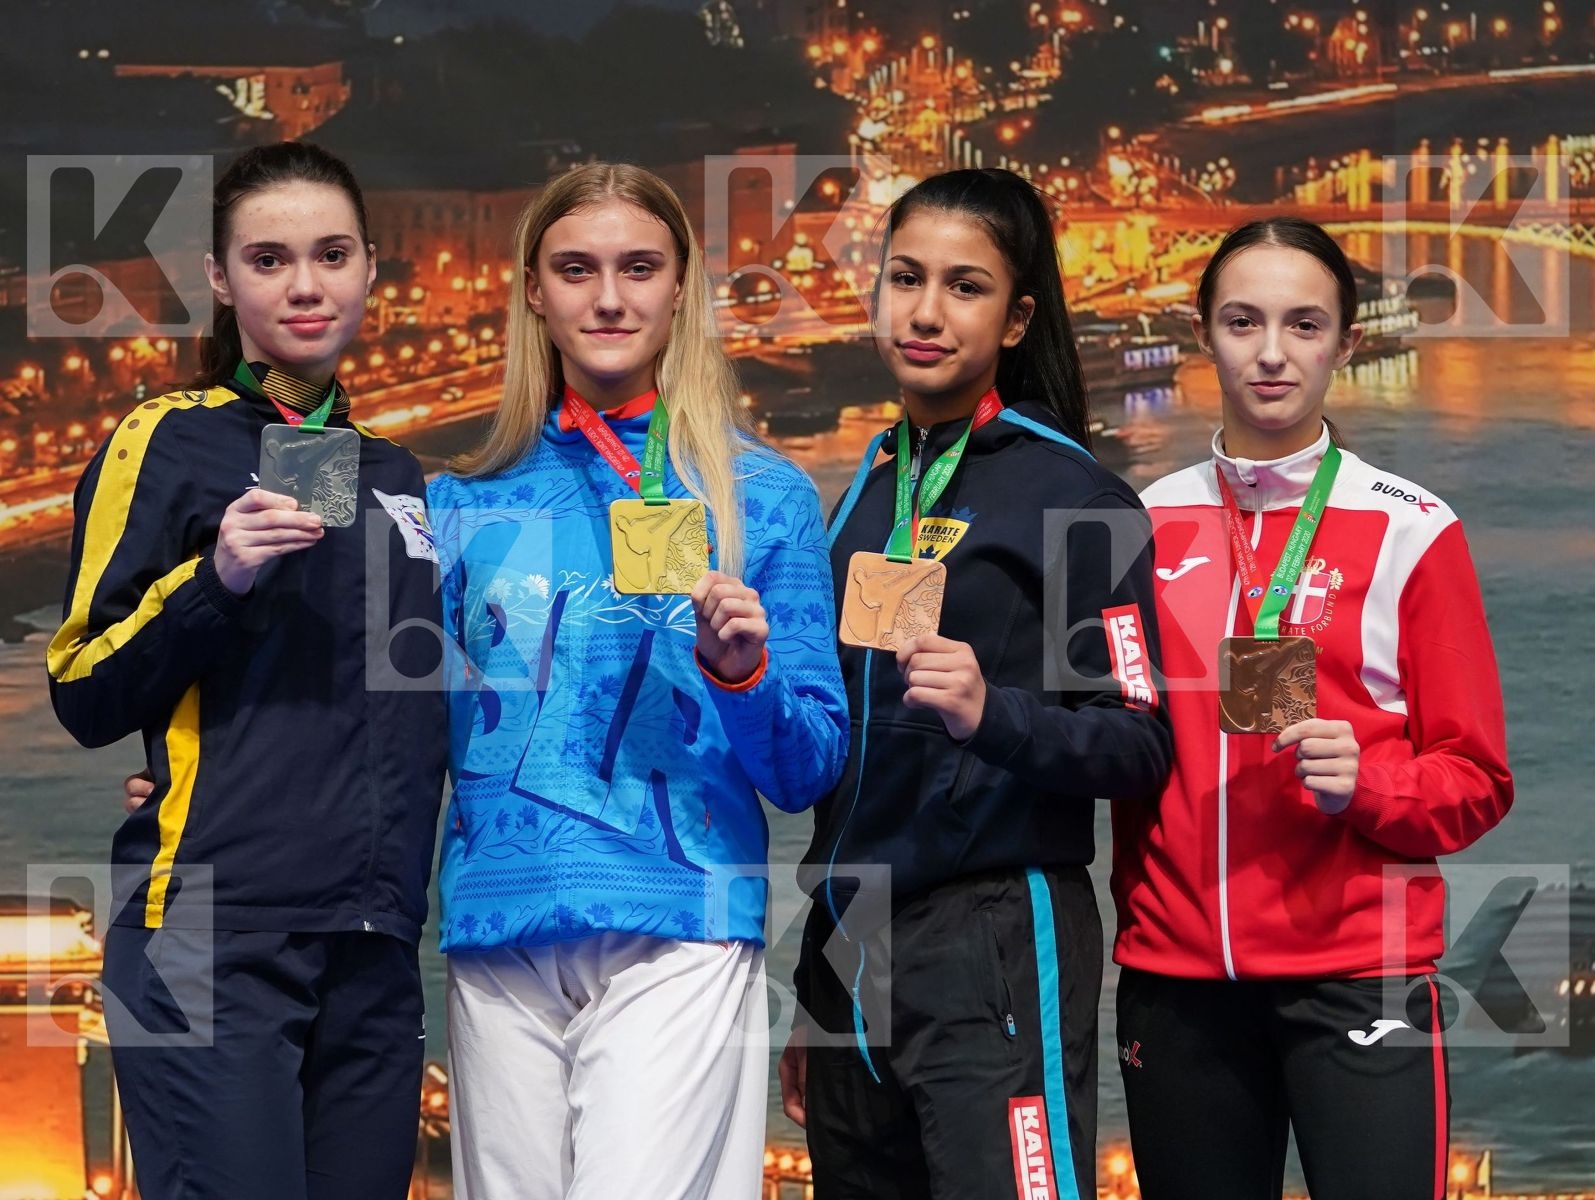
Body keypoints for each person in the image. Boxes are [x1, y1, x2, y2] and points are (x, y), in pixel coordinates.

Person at [429, 162, 848, 1199]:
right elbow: (384, 731)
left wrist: (742, 674)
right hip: (495, 923)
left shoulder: (763, 496)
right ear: (532, 290)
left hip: (681, 917)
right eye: (575, 270)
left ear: (678, 287)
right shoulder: (456, 504)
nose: (607, 297)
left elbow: (809, 766)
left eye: (637, 268)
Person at [50, 141, 446, 1199]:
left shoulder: (399, 474)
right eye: (268, 260)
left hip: (373, 947)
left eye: (331, 255)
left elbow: (408, 708)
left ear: (370, 267)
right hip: (209, 939)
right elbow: (83, 688)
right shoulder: (166, 439)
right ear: (222, 281)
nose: (305, 285)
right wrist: (214, 579)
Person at [781, 167, 1173, 1200]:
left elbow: (1137, 741)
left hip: (995, 930)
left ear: (1016, 317)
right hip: (848, 941)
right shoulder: (864, 487)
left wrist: (990, 715)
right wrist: (811, 990)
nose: (923, 311)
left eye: (964, 286)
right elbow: (846, 765)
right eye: (904, 277)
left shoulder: (1076, 496)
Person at [1112, 216, 1514, 1200]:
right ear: (1201, 331)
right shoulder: (1136, 525)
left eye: (1302, 325)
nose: (1270, 352)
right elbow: (1107, 739)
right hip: (1176, 983)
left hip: (1358, 978)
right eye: (1242, 321)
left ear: (1343, 341)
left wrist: (1367, 783)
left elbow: (1476, 779)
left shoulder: (1412, 530)